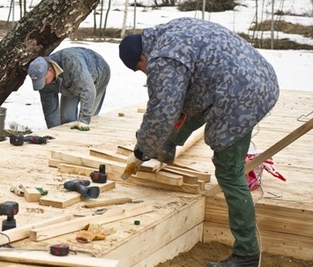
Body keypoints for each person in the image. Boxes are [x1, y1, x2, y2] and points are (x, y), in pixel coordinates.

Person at [118, 17, 279, 267]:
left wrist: (141, 151)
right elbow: (188, 92)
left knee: (229, 172)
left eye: (140, 68)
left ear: (141, 57)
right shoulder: (173, 29)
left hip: (240, 96)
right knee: (188, 101)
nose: (145, 72)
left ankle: (246, 254)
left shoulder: (162, 60)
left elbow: (162, 111)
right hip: (261, 77)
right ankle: (167, 147)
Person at [27, 47, 110, 131]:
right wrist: (54, 131)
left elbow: (88, 90)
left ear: (50, 70)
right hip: (70, 84)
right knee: (66, 118)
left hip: (97, 75)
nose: (43, 84)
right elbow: (50, 110)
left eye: (43, 80)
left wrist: (84, 120)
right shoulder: (43, 79)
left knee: (89, 119)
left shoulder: (71, 61)